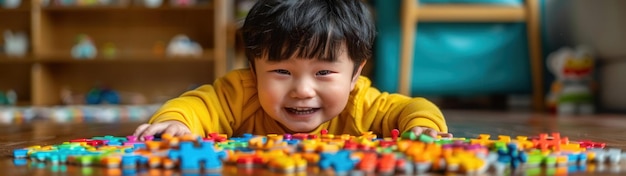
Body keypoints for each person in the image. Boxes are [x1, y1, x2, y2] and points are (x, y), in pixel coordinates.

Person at [133, 0, 451, 140]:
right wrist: (175, 122)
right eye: (282, 72)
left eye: (324, 73)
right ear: (254, 70)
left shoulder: (362, 104)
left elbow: (412, 106)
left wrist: (423, 126)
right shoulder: (239, 93)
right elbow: (198, 104)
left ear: (356, 75)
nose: (302, 90)